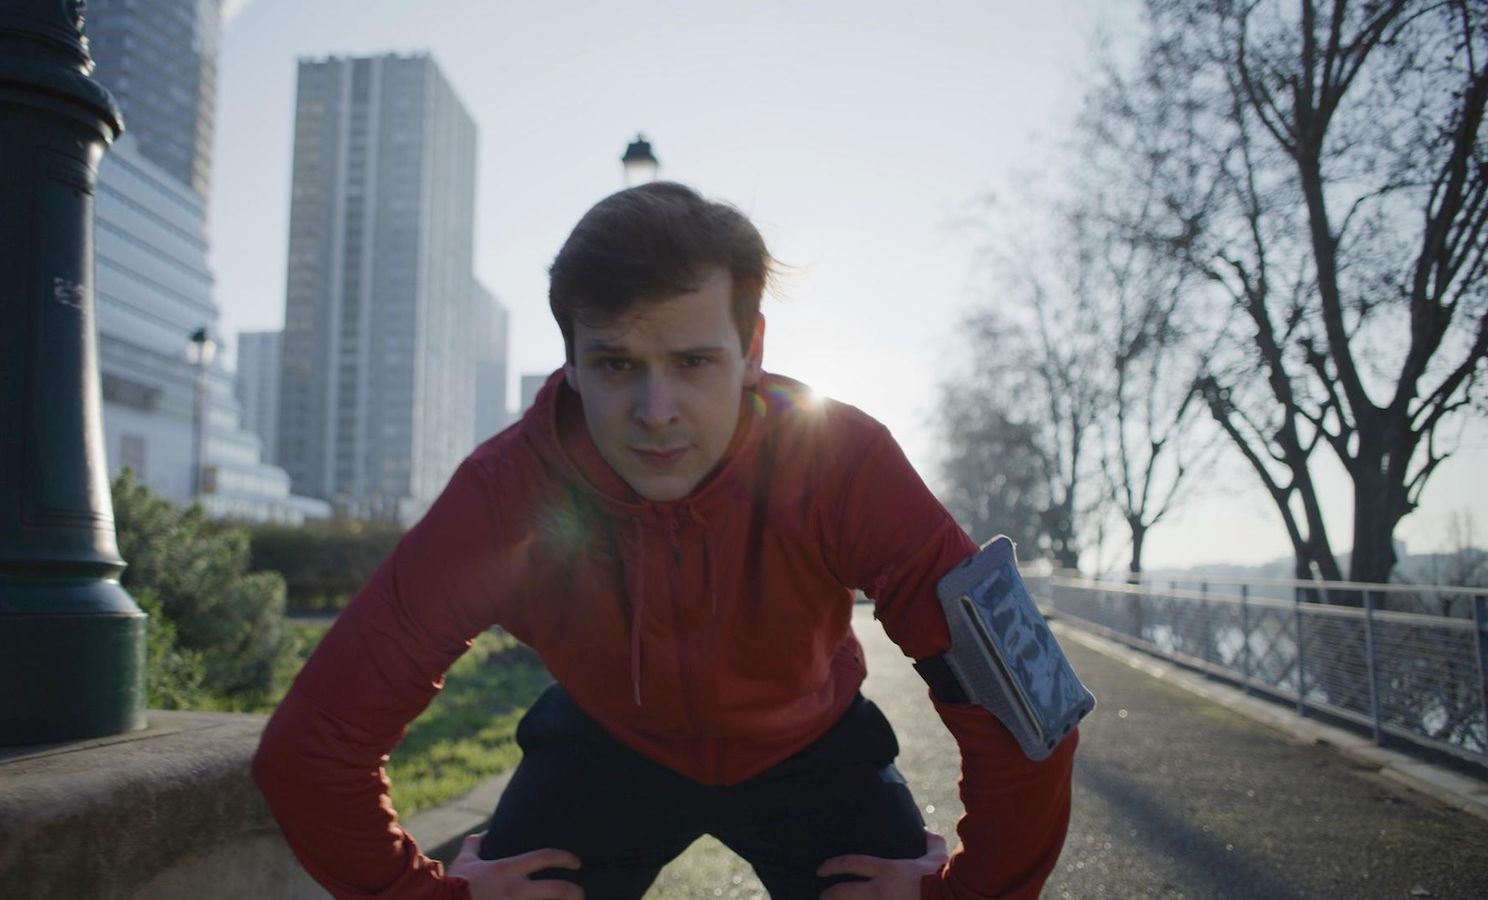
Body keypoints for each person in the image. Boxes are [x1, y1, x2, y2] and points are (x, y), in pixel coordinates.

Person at [253, 182, 1078, 900]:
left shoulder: (841, 461)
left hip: (811, 745)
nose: (656, 412)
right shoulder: (506, 492)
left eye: (692, 361)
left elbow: (1028, 707)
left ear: (752, 350)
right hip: (605, 742)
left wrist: (962, 896)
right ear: (571, 361)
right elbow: (311, 750)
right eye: (615, 365)